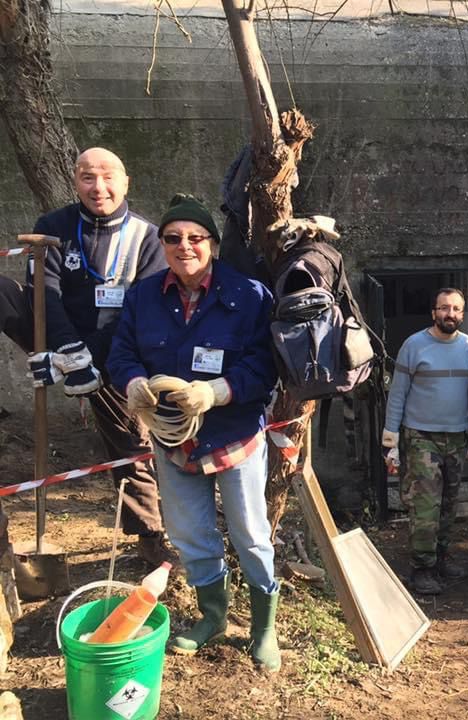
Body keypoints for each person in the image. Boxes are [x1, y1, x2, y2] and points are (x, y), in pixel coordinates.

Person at [108, 195, 281, 671]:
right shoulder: (144, 297)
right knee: (190, 534)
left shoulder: (247, 295)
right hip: (172, 440)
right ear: (162, 244)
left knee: (250, 535)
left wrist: (218, 392)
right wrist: (134, 382)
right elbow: (121, 353)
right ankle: (213, 618)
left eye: (195, 237)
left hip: (233, 435)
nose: (184, 246)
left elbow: (266, 366)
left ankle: (265, 627)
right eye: (173, 238)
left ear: (213, 244)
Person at [0, 147, 173, 566]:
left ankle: (149, 535)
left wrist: (91, 359)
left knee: (131, 444)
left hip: (117, 352)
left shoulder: (148, 238)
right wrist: (65, 351)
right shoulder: (54, 228)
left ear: (126, 181)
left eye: (108, 176)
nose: (99, 187)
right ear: (76, 181)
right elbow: (48, 292)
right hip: (58, 337)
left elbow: (138, 312)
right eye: (88, 177)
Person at [382, 288, 468, 595]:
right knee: (425, 505)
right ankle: (421, 568)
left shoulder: (467, 346)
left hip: (455, 436)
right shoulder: (414, 345)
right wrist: (392, 443)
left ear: (462, 315)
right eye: (443, 308)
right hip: (421, 436)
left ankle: (440, 557)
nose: (449, 314)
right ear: (433, 312)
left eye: (455, 309)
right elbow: (397, 393)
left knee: (448, 504)